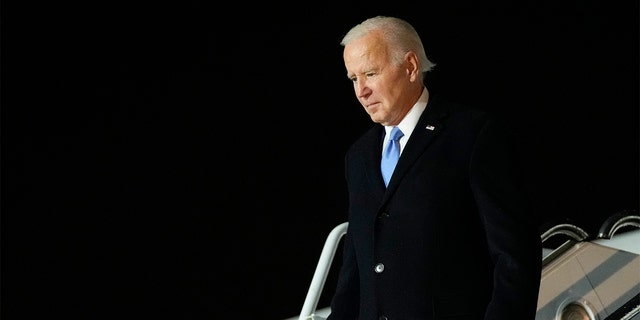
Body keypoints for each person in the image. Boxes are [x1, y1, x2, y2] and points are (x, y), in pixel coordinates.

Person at [326, 16, 542, 320]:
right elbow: (355, 271)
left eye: (370, 74)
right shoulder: (358, 157)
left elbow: (515, 258)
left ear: (411, 67)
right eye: (353, 79)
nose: (361, 91)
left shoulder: (472, 135)